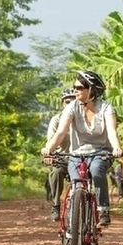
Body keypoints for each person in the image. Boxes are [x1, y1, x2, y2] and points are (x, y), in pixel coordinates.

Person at [41, 70, 123, 227]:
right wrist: (49, 148)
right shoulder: (72, 107)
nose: (75, 90)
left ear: (91, 90)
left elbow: (112, 131)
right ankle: (72, 224)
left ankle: (103, 210)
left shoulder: (106, 108)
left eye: (79, 88)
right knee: (76, 183)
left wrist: (116, 148)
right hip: (76, 155)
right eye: (75, 87)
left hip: (101, 153)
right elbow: (61, 132)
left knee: (97, 170)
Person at [44, 88, 76, 221]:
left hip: (81, 158)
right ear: (63, 103)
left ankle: (94, 206)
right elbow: (51, 139)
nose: (70, 104)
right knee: (56, 173)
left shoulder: (85, 118)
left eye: (74, 101)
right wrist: (48, 152)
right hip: (62, 158)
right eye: (67, 102)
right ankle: (56, 204)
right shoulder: (57, 120)